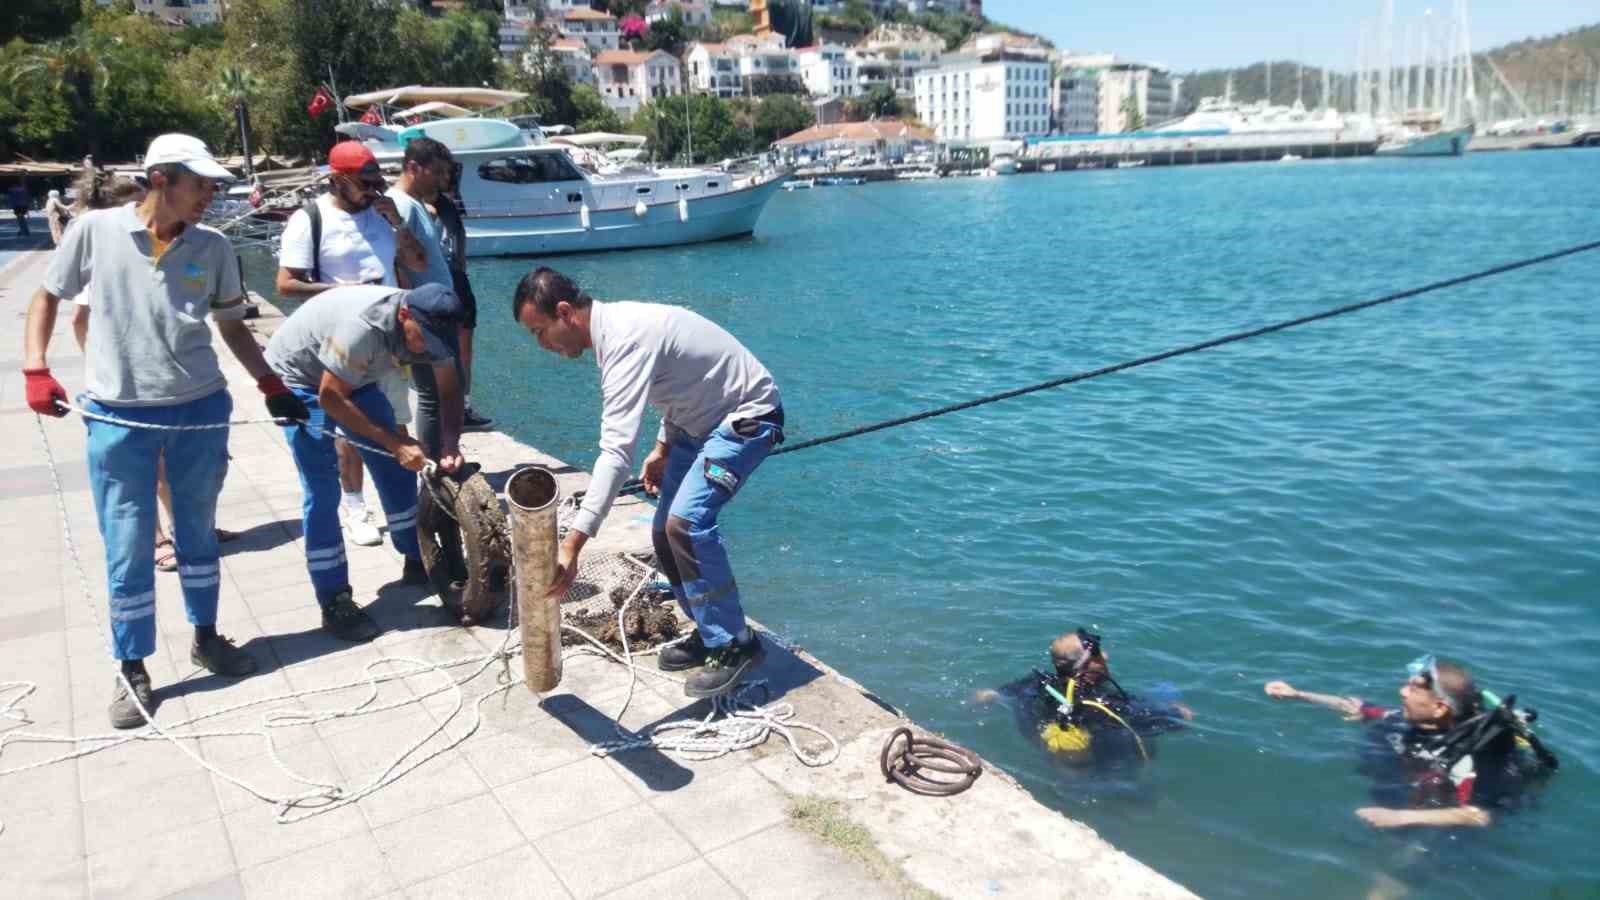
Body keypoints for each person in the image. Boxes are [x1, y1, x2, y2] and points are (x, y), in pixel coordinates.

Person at [23, 133, 307, 729]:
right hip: (118, 416)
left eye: (213, 185)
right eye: (200, 184)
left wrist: (270, 385)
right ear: (160, 179)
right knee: (128, 546)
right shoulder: (95, 232)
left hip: (199, 410)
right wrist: (36, 369)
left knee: (198, 532)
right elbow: (46, 298)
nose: (211, 194)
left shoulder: (215, 247)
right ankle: (132, 665)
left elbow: (232, 329)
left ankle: (207, 636)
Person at [513, 267, 782, 698]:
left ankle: (735, 645)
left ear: (564, 313)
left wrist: (573, 544)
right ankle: (710, 633)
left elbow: (615, 454)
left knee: (686, 524)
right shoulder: (615, 332)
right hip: (694, 427)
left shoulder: (623, 339)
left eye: (539, 332)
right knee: (662, 533)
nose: (541, 345)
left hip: (747, 418)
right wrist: (661, 448)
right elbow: (680, 384)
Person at [264, 282, 466, 641]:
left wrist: (450, 444)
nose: (425, 349)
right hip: (301, 379)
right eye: (421, 339)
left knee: (397, 470)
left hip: (355, 376)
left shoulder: (435, 326)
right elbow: (330, 397)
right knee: (322, 489)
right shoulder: (363, 330)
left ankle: (416, 558)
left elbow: (450, 390)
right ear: (405, 315)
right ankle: (334, 599)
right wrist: (393, 441)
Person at [277, 140, 429, 548]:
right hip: (341, 336)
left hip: (391, 333)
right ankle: (355, 504)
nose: (374, 189)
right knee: (347, 431)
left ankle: (405, 524)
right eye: (364, 183)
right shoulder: (309, 219)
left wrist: (397, 224)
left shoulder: (382, 214)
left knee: (395, 423)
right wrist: (347, 294)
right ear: (338, 180)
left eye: (378, 181)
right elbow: (286, 283)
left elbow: (418, 264)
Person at [1265, 654, 1556, 829]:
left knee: (1395, 875)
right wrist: (1299, 694)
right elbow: (1357, 708)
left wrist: (1400, 818)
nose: (1402, 691)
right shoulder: (1408, 719)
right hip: (1407, 797)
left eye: (1413, 688)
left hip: (1438, 826)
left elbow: (1479, 816)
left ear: (1440, 707)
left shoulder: (1468, 758)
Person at [973, 628, 1192, 765]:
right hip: (1103, 776)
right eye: (1098, 655)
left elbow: (989, 695)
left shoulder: (1039, 683)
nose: (1105, 657)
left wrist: (986, 697)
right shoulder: (1102, 705)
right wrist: (1178, 711)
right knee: (1167, 690)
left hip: (1049, 755)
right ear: (1088, 666)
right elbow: (1176, 719)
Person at [431, 169, 493, 433]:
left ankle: (463, 407)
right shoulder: (422, 208)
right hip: (439, 283)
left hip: (459, 279)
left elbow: (460, 247)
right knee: (443, 352)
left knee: (464, 352)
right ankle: (446, 410)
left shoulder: (450, 208)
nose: (452, 188)